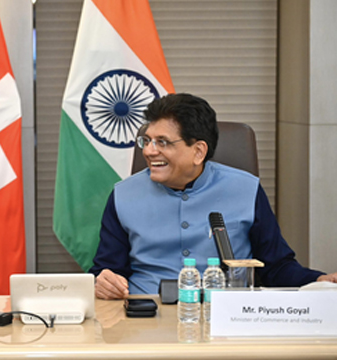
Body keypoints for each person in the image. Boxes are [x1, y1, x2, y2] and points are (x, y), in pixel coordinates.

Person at [91, 93, 337, 300]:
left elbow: (276, 267)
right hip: (146, 314)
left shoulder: (246, 189)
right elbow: (107, 270)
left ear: (198, 151)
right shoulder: (123, 195)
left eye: (162, 142)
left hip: (227, 314)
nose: (148, 151)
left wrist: (318, 280)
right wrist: (102, 282)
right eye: (146, 141)